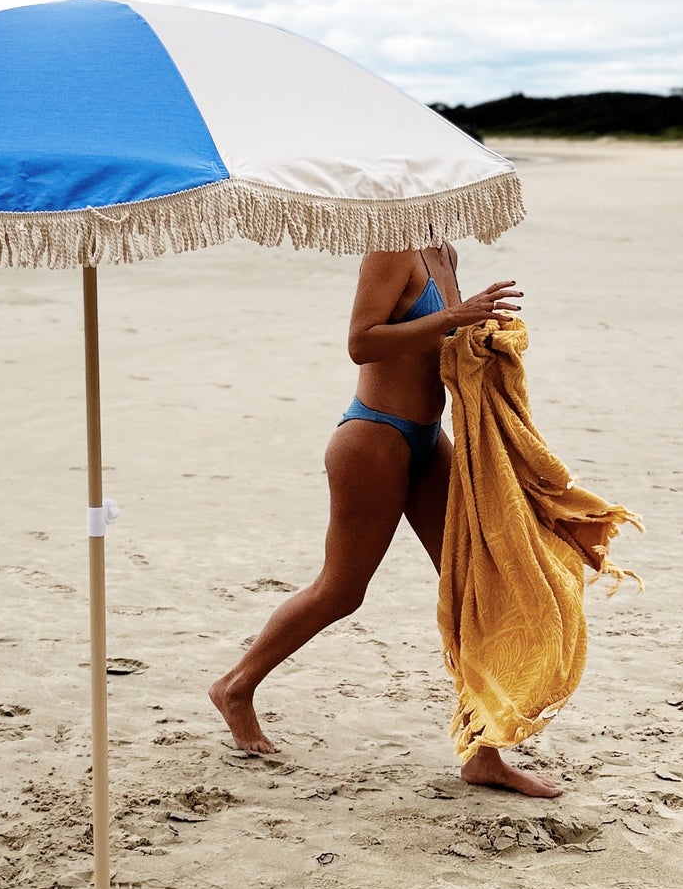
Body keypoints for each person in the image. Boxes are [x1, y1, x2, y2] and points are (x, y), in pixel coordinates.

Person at [208, 240, 562, 797]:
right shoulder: (390, 250)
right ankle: (235, 686)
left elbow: (435, 348)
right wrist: (455, 315)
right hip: (373, 438)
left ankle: (483, 752)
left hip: (428, 438)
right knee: (342, 589)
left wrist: (483, 338)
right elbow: (362, 343)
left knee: (476, 583)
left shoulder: (443, 251)